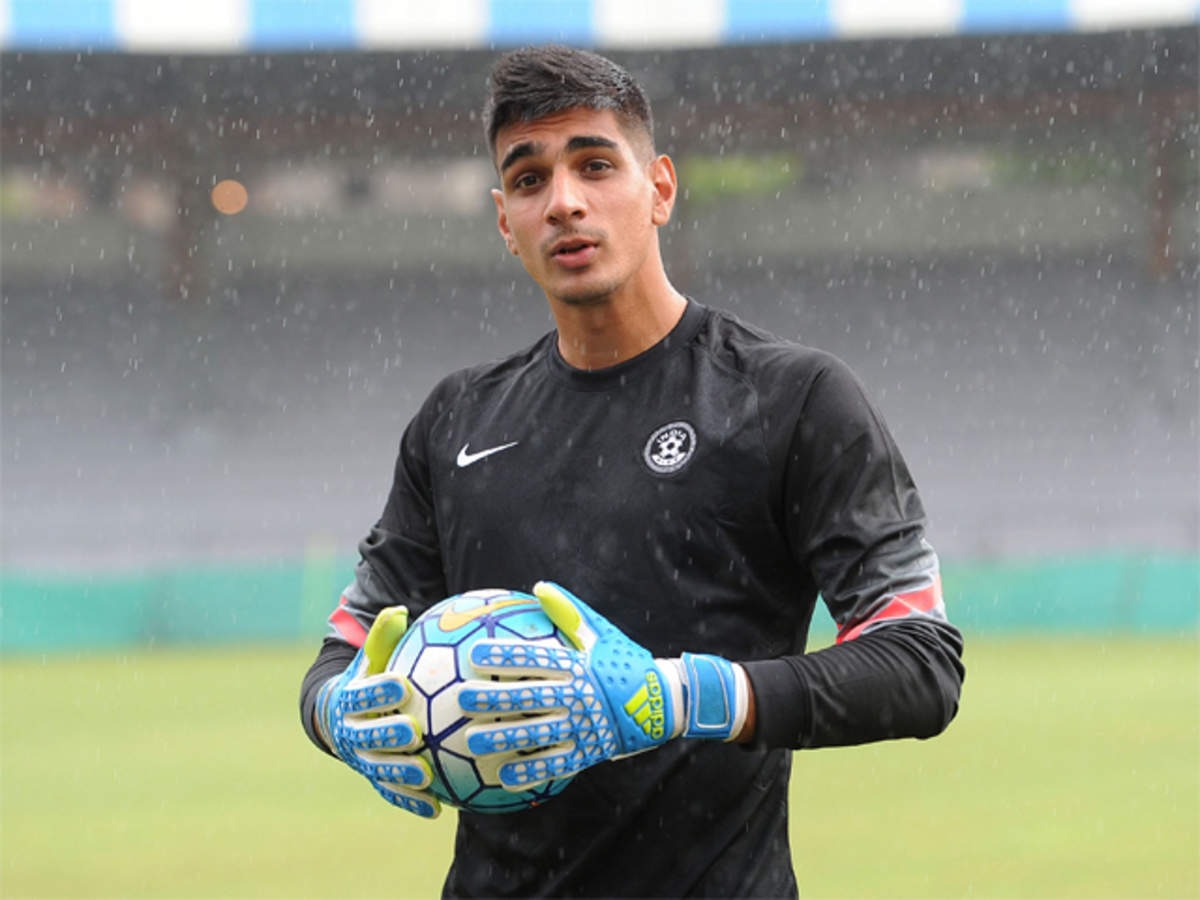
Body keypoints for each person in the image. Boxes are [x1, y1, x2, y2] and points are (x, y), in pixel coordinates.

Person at [300, 45, 965, 898]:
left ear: (660, 188)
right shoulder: (455, 421)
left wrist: (675, 696)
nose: (564, 201)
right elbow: (343, 653)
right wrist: (340, 716)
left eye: (595, 164)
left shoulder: (792, 399)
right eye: (530, 179)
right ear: (505, 221)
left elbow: (919, 661)